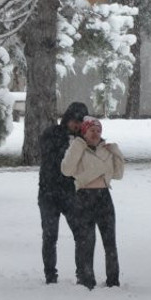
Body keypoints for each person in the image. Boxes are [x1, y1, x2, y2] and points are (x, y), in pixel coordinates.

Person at [60, 116, 125, 289]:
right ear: (84, 132)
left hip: (104, 197)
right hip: (84, 198)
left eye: (98, 131)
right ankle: (86, 279)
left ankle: (113, 280)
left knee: (110, 242)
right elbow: (67, 170)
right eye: (91, 130)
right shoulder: (78, 148)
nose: (95, 134)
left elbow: (118, 174)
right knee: (86, 242)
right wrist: (78, 145)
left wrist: (116, 153)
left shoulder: (105, 150)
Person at [37, 101, 89, 284]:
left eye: (81, 122)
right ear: (67, 119)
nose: (77, 125)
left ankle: (82, 274)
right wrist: (69, 148)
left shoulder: (83, 141)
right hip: (49, 193)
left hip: (71, 193)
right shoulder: (52, 134)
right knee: (50, 236)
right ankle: (50, 275)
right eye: (74, 121)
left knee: (81, 234)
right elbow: (51, 158)